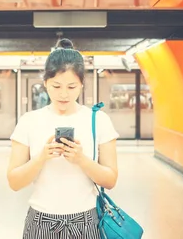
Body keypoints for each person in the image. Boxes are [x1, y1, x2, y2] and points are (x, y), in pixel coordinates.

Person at [7, 38, 120, 238]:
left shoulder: (99, 120)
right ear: (45, 83)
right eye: (56, 86)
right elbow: (14, 182)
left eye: (71, 87)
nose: (64, 94)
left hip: (87, 220)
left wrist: (81, 160)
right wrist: (41, 158)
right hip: (40, 220)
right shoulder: (29, 121)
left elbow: (110, 180)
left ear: (82, 85)